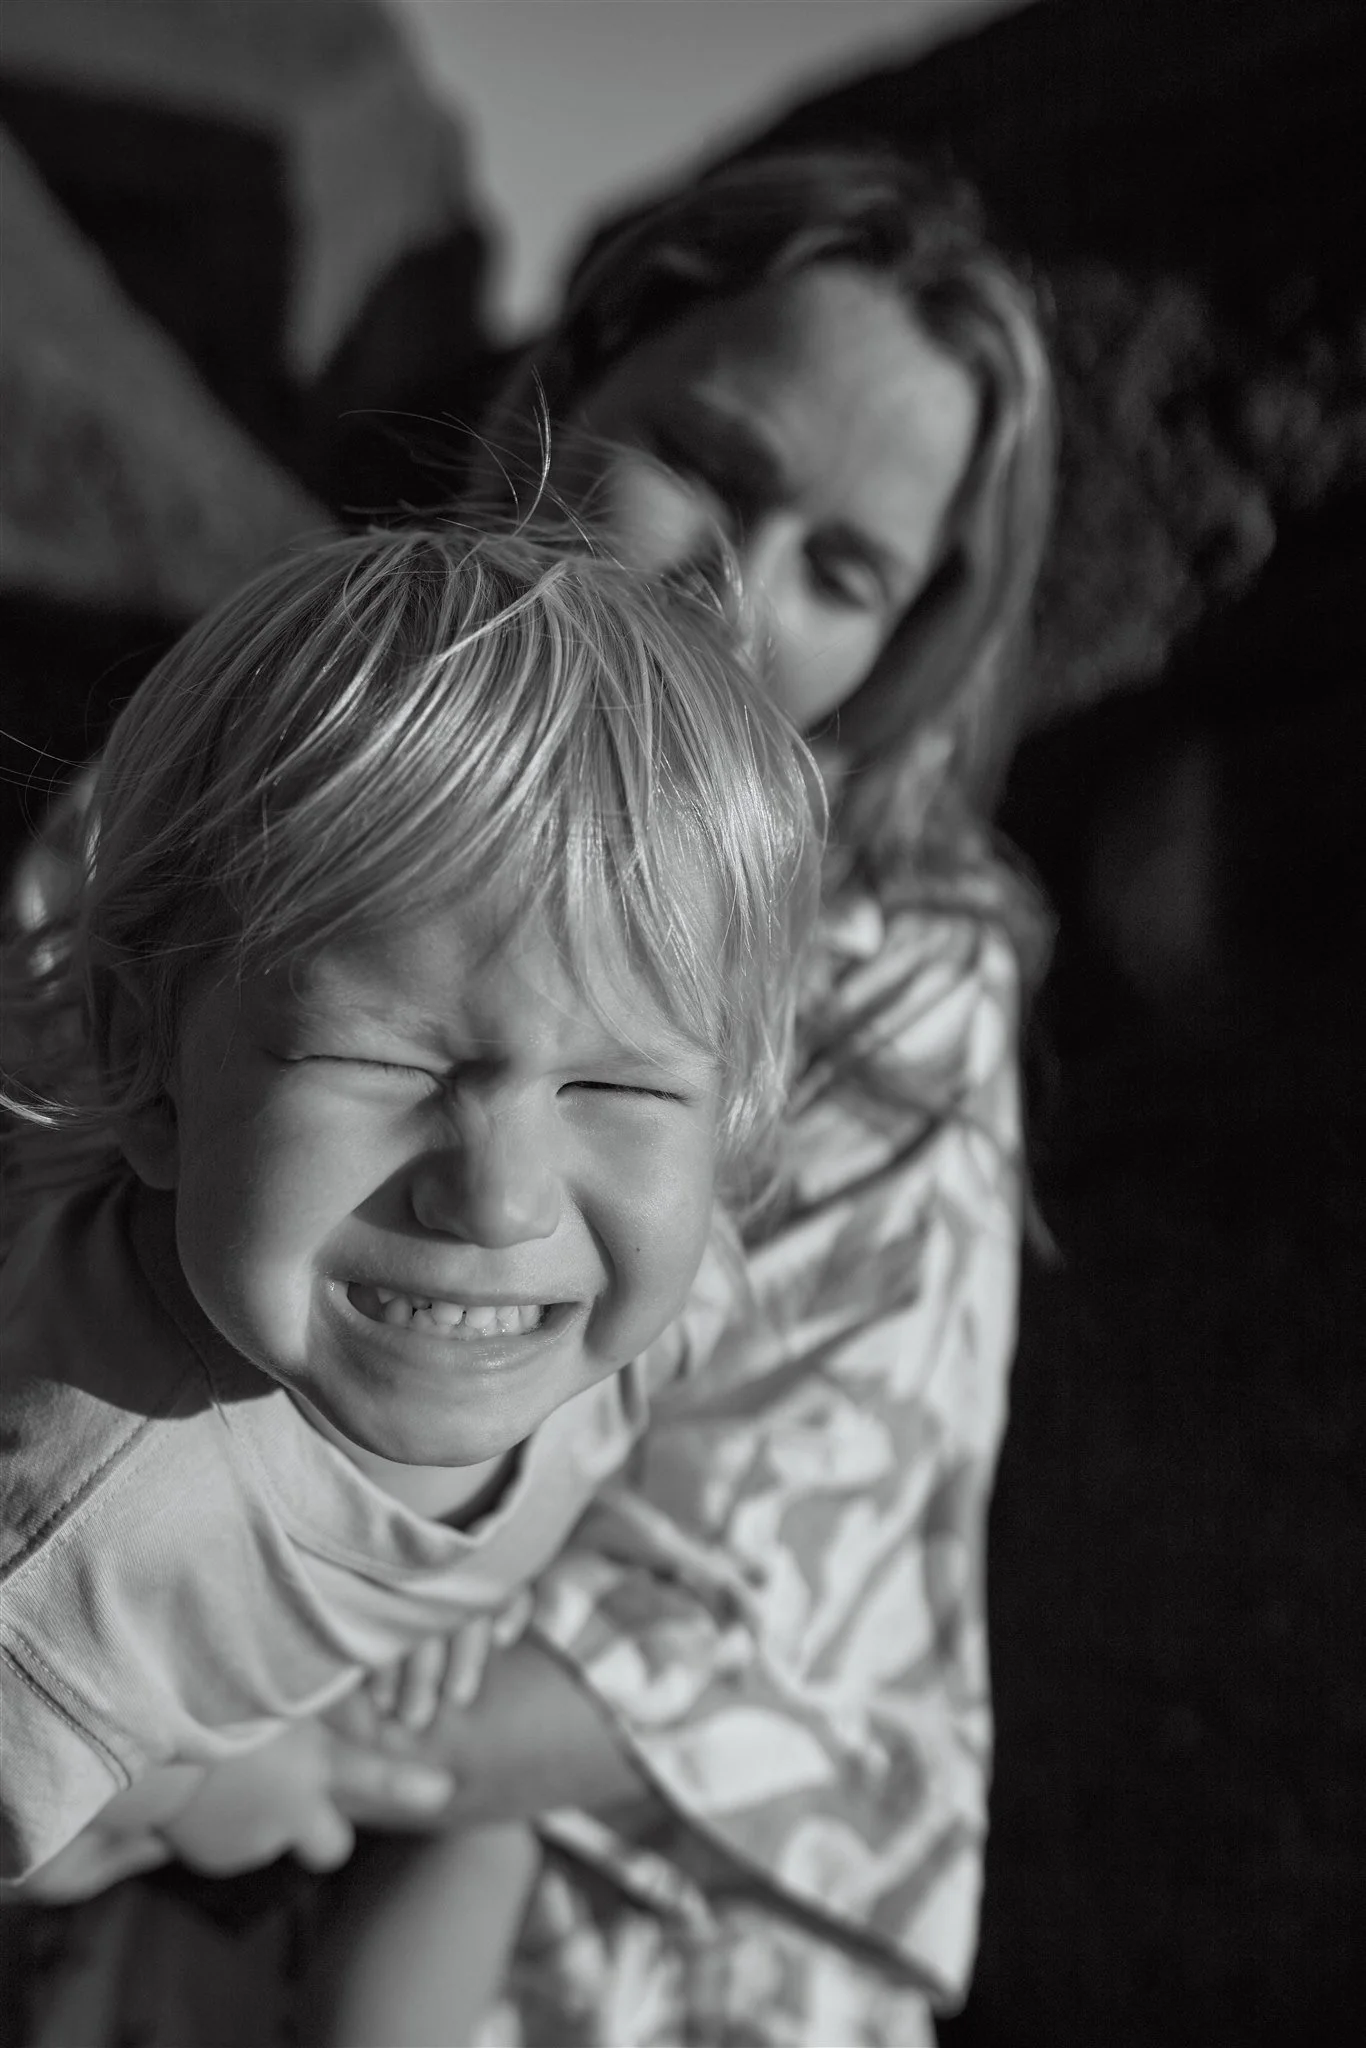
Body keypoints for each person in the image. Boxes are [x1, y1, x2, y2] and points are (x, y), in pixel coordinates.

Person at [313, 147, 1058, 2047]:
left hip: (608, 1956)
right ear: (556, 400)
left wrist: (159, 1723)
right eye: (707, 464)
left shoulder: (897, 989)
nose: (739, 594)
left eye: (848, 570)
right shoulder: (278, 765)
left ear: (914, 641)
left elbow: (721, 1628)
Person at [0, 524, 822, 2043]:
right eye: (386, 1060)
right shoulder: (74, 1543)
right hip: (103, 1813)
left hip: (304, 1770)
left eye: (622, 1093)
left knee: (483, 1841)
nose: (499, 1198)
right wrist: (191, 1790)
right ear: (148, 1065)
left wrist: (461, 1601)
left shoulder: (663, 1292)